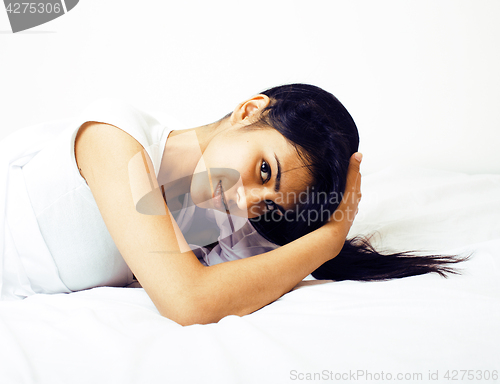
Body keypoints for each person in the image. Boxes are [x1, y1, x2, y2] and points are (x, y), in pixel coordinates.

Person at [0, 83, 468, 325]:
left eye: (267, 206)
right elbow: (188, 300)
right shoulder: (116, 139)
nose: (246, 201)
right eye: (265, 169)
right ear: (250, 110)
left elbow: (240, 283)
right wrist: (328, 241)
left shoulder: (220, 217)